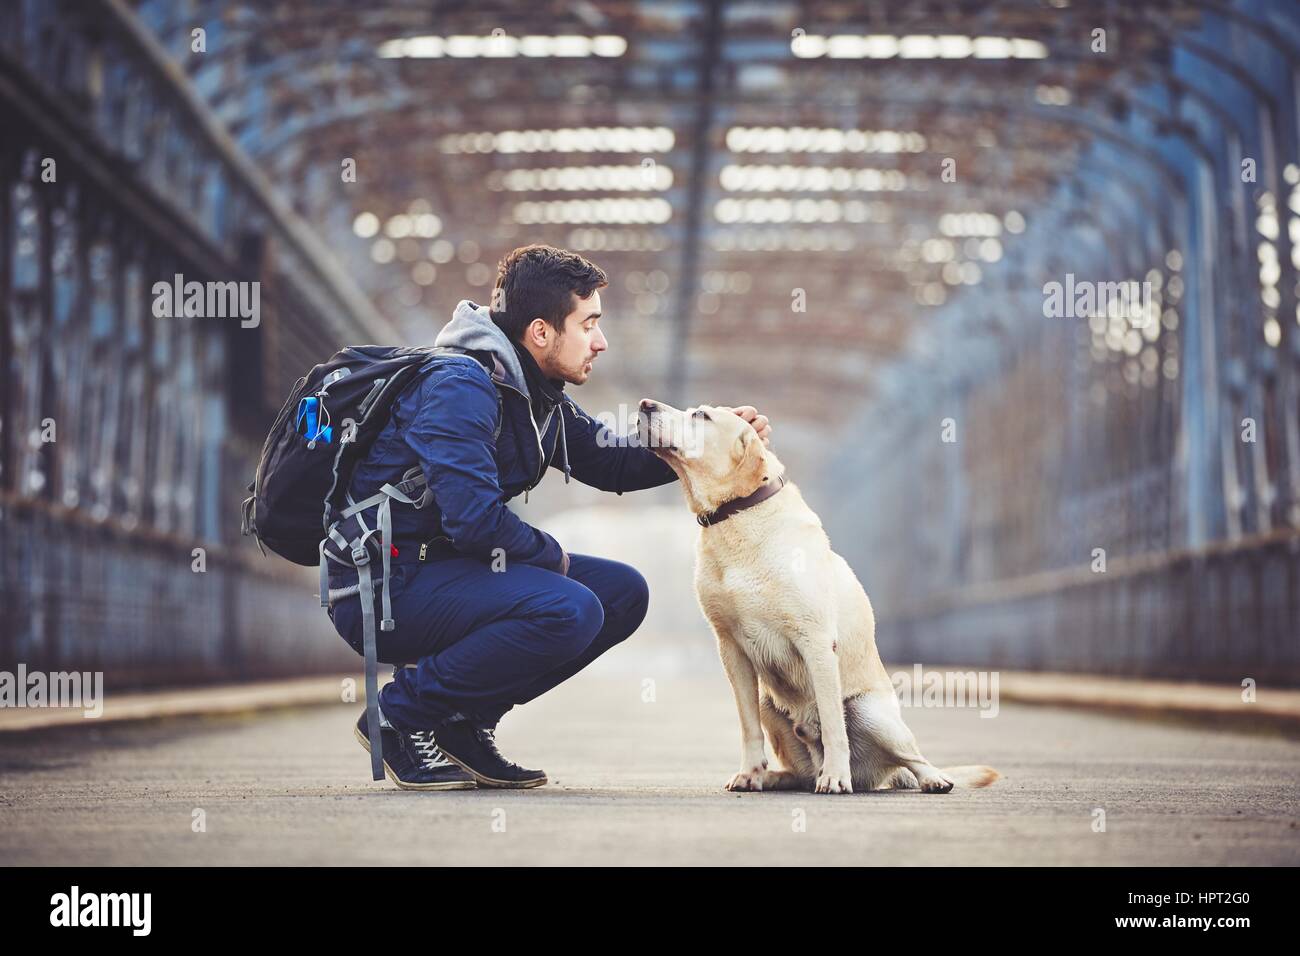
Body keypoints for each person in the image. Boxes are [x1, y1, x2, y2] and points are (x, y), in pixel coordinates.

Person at [327, 244, 771, 790]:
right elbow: (475, 522)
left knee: (622, 592)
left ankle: (464, 723)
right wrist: (553, 557)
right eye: (589, 324)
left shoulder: (536, 396)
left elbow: (609, 460)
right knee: (569, 608)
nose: (601, 342)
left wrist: (700, 442)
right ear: (541, 332)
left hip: (446, 572)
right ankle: (399, 714)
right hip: (386, 586)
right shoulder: (459, 387)